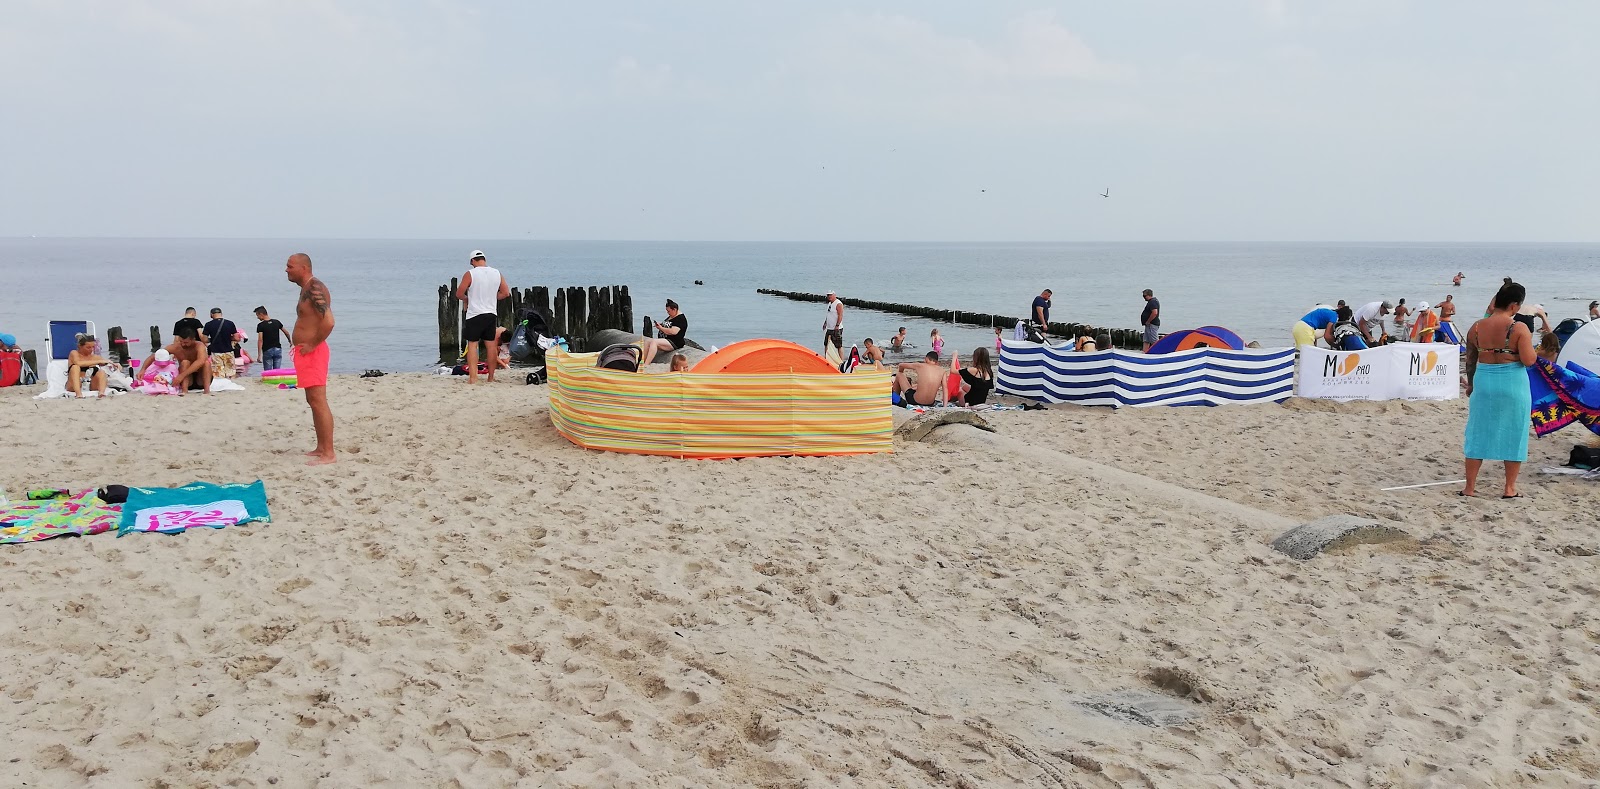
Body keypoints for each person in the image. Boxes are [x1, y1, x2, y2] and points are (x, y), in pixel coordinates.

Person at [1462, 280, 1535, 498]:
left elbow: (1471, 361)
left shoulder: (1475, 327)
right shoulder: (1518, 327)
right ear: (1514, 305)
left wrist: (1472, 385)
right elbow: (1529, 360)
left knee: (1477, 432)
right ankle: (1509, 488)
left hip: (1485, 381)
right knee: (1515, 432)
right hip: (1513, 382)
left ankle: (1470, 488)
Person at [287, 253, 336, 466]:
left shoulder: (315, 288)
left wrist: (313, 344)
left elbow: (329, 321)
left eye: (290, 266)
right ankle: (321, 447)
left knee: (318, 401)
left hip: (313, 352)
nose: (286, 270)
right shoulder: (306, 288)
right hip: (305, 352)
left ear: (303, 268)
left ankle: (329, 453)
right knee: (312, 401)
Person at [454, 250, 509, 384]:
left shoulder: (470, 273)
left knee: (472, 345)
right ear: (484, 259)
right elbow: (505, 293)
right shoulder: (497, 273)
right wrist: (492, 297)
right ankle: (491, 377)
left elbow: (459, 294)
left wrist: (468, 298)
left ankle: (473, 378)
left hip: (474, 314)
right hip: (490, 314)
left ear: (472, 261)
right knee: (491, 346)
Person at [140, 327, 211, 395]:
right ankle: (184, 390)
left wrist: (181, 375)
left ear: (193, 340)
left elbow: (200, 361)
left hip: (200, 379)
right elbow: (154, 356)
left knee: (206, 363)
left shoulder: (199, 345)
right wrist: (143, 370)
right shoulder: (176, 347)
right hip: (186, 381)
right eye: (181, 341)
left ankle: (207, 390)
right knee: (185, 362)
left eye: (186, 342)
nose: (183, 344)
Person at [642, 299, 689, 366]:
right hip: (666, 339)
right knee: (648, 341)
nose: (668, 313)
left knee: (654, 342)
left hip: (674, 342)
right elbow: (668, 324)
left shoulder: (680, 319)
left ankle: (647, 364)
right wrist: (660, 325)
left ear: (674, 310)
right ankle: (642, 361)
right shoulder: (672, 316)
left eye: (669, 311)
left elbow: (673, 332)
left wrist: (661, 328)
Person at [202, 308, 238, 379]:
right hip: (228, 350)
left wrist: (211, 339)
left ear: (211, 314)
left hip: (216, 352)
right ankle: (231, 383)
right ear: (221, 314)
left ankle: (221, 384)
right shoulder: (230, 323)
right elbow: (236, 338)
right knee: (231, 371)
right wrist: (228, 338)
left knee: (218, 372)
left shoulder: (208, 324)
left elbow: (204, 339)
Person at [254, 306, 290, 371]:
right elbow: (286, 333)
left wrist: (259, 355)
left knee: (268, 372)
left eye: (257, 315)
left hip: (267, 350)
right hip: (278, 349)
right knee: (277, 371)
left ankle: (269, 380)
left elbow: (260, 340)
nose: (257, 318)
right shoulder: (276, 322)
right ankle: (277, 380)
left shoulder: (261, 325)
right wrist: (290, 341)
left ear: (261, 314)